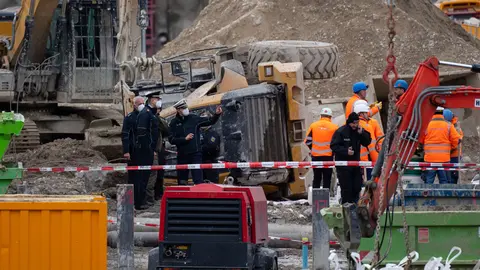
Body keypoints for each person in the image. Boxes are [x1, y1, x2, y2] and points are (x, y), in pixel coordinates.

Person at [169, 99, 223, 185]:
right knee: (182, 181)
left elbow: (209, 121)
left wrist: (216, 114)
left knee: (198, 180)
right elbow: (171, 140)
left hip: (195, 154)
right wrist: (184, 139)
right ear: (178, 110)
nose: (186, 109)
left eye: (186, 107)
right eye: (183, 108)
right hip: (182, 155)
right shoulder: (173, 123)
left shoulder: (193, 118)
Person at [331, 112, 371, 204]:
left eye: (357, 123)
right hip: (343, 166)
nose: (355, 125)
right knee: (346, 189)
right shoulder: (341, 132)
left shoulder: (359, 131)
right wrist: (345, 151)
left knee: (357, 186)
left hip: (355, 165)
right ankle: (346, 207)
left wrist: (362, 134)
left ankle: (355, 206)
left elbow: (367, 142)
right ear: (349, 122)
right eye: (353, 123)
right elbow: (333, 146)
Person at [134, 91, 162, 210]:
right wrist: (149, 149)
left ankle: (145, 201)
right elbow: (142, 134)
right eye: (157, 99)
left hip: (150, 150)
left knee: (149, 177)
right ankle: (143, 202)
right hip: (146, 151)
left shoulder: (151, 113)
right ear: (151, 100)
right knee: (146, 177)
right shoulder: (146, 113)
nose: (159, 101)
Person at [419, 107, 461, 184]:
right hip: (444, 159)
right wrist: (451, 148)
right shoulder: (448, 125)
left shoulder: (426, 125)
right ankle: (443, 196)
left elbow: (420, 140)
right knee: (444, 182)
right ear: (442, 113)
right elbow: (456, 140)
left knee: (428, 181)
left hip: (430, 159)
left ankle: (428, 196)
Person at [304, 107, 338, 189]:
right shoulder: (334, 127)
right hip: (328, 157)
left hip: (315, 156)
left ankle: (316, 197)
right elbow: (337, 143)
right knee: (327, 179)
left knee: (316, 178)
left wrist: (313, 149)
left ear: (321, 116)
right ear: (330, 117)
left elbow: (307, 141)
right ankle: (325, 198)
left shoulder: (313, 125)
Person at [354, 100, 384, 180]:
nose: (368, 114)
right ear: (361, 113)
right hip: (364, 158)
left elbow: (380, 138)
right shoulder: (360, 124)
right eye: (366, 112)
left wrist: (381, 152)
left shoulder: (373, 122)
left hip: (372, 156)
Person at [121, 96, 145, 186]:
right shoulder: (129, 118)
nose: (142, 106)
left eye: (143, 104)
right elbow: (125, 135)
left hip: (145, 150)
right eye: (139, 104)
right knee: (134, 176)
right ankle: (134, 198)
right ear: (134, 105)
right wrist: (126, 151)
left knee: (144, 176)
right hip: (134, 151)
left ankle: (143, 198)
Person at [154, 99, 170, 200]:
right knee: (152, 174)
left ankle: (159, 193)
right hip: (152, 149)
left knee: (160, 173)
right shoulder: (148, 118)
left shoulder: (160, 120)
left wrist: (158, 118)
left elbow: (166, 130)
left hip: (160, 149)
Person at [200, 111, 221, 183]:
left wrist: (199, 148)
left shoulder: (213, 133)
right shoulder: (198, 132)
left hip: (211, 164)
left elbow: (211, 147)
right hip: (200, 164)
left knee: (212, 186)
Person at [443, 109, 463, 184]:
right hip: (448, 154)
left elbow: (457, 141)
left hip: (454, 155)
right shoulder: (450, 126)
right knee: (447, 175)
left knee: (453, 176)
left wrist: (448, 149)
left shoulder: (455, 128)